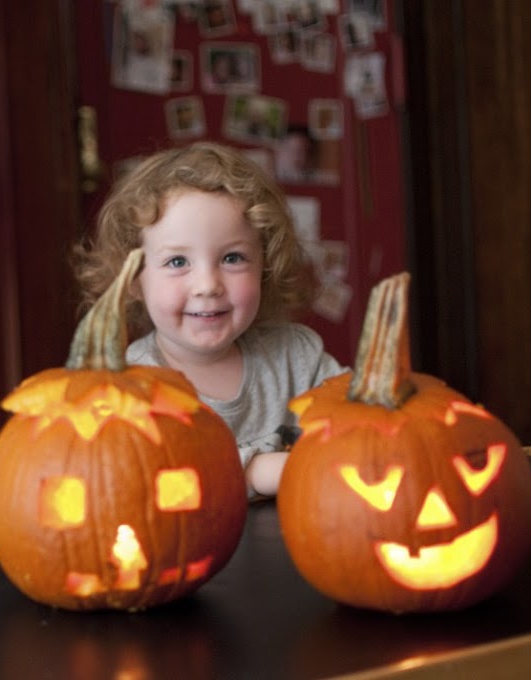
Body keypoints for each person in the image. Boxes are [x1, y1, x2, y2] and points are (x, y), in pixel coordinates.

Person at [74, 142, 345, 498]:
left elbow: (361, 426)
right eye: (177, 262)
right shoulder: (129, 388)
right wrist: (253, 470)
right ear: (134, 279)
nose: (207, 285)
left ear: (264, 266)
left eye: (232, 258)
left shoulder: (297, 358)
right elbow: (149, 481)